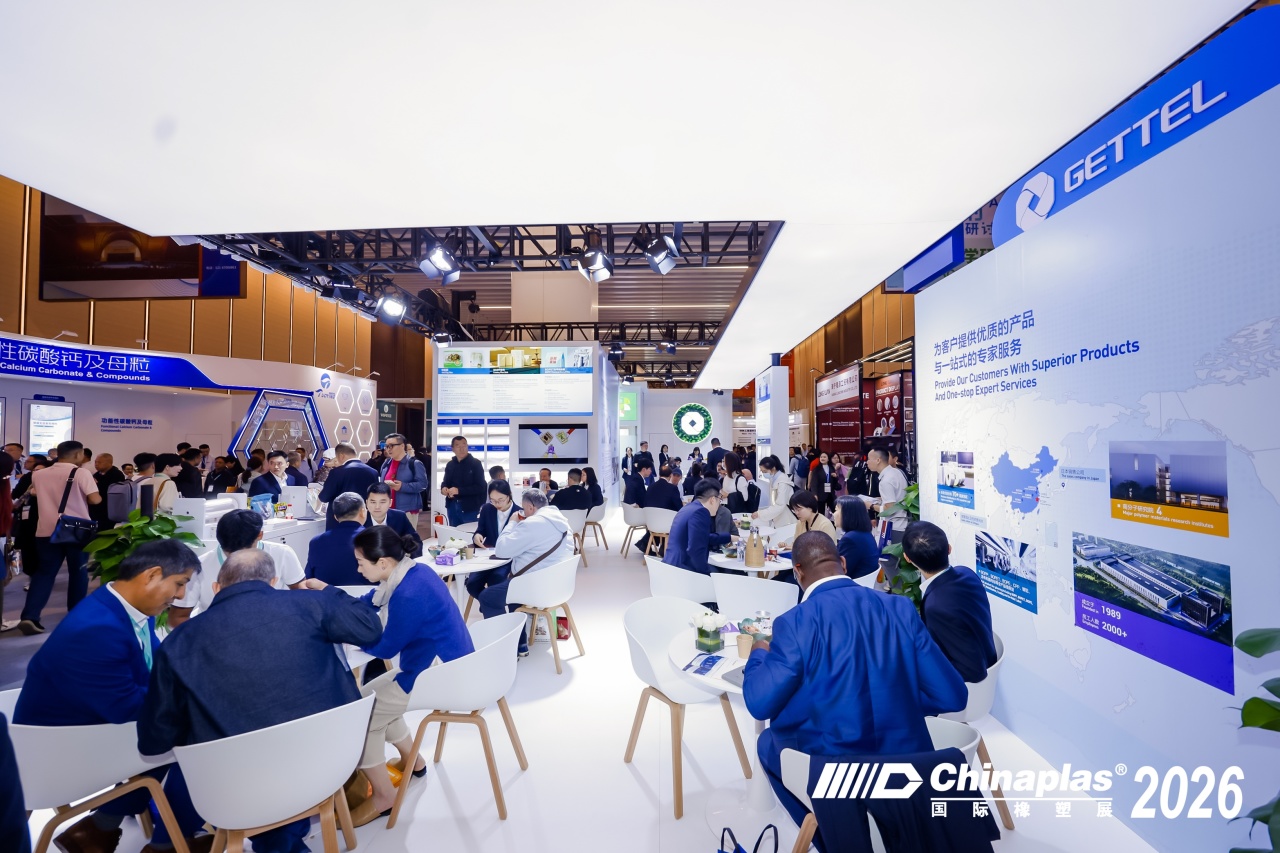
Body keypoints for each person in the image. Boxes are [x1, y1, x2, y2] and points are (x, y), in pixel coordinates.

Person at [141, 548, 383, 853]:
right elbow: (370, 628)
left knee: (200, 748)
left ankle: (168, 840)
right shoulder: (311, 604)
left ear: (216, 587)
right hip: (329, 763)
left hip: (238, 785)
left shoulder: (179, 643)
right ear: (273, 581)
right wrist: (328, 591)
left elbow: (155, 741)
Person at [743, 532, 968, 829]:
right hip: (909, 769)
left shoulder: (794, 622)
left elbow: (759, 704)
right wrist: (898, 701)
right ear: (843, 563)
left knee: (767, 742)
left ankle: (827, 833)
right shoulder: (900, 608)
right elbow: (952, 696)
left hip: (837, 777)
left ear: (797, 571)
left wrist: (759, 652)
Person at [15, 541, 207, 853]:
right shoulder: (97, 629)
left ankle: (99, 829)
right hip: (56, 754)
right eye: (179, 583)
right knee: (199, 734)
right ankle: (166, 844)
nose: (181, 595)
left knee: (187, 727)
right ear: (151, 575)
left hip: (81, 732)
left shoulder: (123, 609)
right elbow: (129, 708)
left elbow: (156, 674)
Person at [306, 526, 473, 826]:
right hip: (434, 665)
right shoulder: (412, 573)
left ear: (382, 562)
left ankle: (384, 796)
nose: (358, 569)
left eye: (360, 563)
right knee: (369, 697)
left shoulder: (408, 593)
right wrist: (328, 590)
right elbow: (369, 600)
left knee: (363, 716)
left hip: (437, 676)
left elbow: (385, 647)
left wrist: (346, 634)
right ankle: (414, 761)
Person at [18, 440, 104, 634]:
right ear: (78, 454)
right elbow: (95, 499)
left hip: (45, 530)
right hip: (75, 529)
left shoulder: (38, 474)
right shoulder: (81, 473)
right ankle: (76, 616)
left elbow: (35, 493)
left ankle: (30, 616)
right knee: (78, 572)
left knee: (44, 573)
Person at [168, 509, 307, 628]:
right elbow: (177, 617)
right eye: (231, 555)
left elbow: (302, 597)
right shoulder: (199, 567)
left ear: (260, 535)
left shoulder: (282, 554)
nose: (239, 562)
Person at [483, 490, 576, 654]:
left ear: (531, 507)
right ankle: (520, 645)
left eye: (524, 509)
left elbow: (502, 550)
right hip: (559, 587)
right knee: (512, 589)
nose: (524, 513)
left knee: (488, 597)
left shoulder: (533, 524)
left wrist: (512, 523)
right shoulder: (563, 522)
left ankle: (504, 648)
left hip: (536, 588)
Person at [904, 521, 997, 683]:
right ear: (949, 548)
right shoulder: (967, 573)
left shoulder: (936, 606)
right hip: (986, 654)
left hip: (968, 684)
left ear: (907, 558)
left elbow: (973, 671)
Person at [663, 478, 734, 575]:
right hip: (683, 570)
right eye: (719, 500)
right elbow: (695, 550)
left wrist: (730, 537)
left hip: (671, 564)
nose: (719, 505)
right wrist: (706, 575)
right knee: (723, 575)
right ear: (713, 500)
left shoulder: (688, 508)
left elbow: (700, 537)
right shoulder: (701, 512)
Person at [305, 492, 373, 587]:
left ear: (335, 517)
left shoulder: (316, 542)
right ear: (362, 512)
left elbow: (309, 578)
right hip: (366, 594)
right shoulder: (374, 538)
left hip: (326, 595)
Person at [318, 442, 380, 529]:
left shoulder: (337, 472)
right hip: (364, 520)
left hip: (339, 521)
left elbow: (324, 497)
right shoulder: (373, 472)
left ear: (341, 456)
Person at [379, 432, 428, 526]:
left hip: (407, 510)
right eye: (386, 446)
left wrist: (402, 486)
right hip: (387, 510)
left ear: (402, 446)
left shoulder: (414, 463)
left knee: (406, 535)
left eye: (391, 446)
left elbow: (423, 484)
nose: (388, 449)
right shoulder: (386, 464)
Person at [634, 466, 683, 555]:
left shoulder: (651, 487)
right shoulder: (672, 488)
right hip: (666, 524)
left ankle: (645, 543)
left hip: (651, 522)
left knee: (662, 518)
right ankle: (664, 547)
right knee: (676, 519)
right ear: (670, 475)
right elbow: (679, 507)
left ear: (659, 474)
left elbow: (646, 503)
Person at [364, 482, 423, 557]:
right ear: (366, 503)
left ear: (390, 503)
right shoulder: (359, 520)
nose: (377, 507)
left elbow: (416, 542)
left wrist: (408, 558)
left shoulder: (399, 516)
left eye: (382, 502)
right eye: (373, 502)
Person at [440, 436, 486, 526]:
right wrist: (444, 488)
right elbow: (445, 482)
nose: (462, 449)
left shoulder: (475, 463)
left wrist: (459, 490)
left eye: (464, 445)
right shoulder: (450, 464)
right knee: (454, 531)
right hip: (452, 505)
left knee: (469, 532)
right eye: (458, 446)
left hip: (470, 507)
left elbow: (481, 487)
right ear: (453, 449)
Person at [834, 495, 880, 579]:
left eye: (836, 510)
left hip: (852, 584)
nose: (834, 514)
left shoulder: (850, 539)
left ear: (847, 514)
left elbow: (840, 571)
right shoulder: (865, 534)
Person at [868, 448, 909, 529]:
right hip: (902, 523)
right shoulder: (897, 472)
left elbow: (890, 509)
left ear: (878, 460)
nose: (867, 462)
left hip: (893, 526)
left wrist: (870, 506)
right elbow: (898, 495)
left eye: (869, 459)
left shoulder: (886, 481)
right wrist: (881, 499)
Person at [472, 479, 518, 548]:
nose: (497, 504)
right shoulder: (487, 509)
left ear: (509, 495)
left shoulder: (520, 513)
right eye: (493, 500)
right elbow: (480, 530)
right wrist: (477, 536)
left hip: (511, 552)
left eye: (501, 500)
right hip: (488, 552)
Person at [754, 456, 797, 526]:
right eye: (762, 472)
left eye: (765, 471)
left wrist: (760, 513)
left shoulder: (783, 483)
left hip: (786, 519)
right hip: (778, 517)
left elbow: (780, 505)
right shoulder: (773, 480)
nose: (763, 474)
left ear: (773, 468)